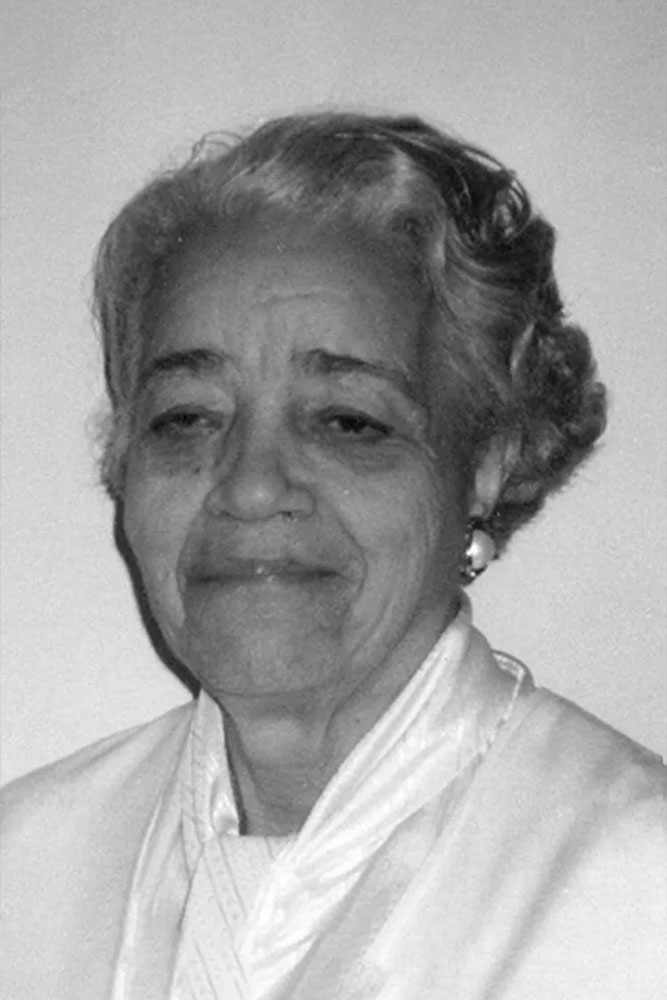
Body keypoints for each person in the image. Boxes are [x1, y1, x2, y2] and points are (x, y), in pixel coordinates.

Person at [1, 111, 664, 1000]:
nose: (247, 486)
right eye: (187, 417)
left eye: (347, 421)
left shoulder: (634, 890)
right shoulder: (23, 870)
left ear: (486, 461)